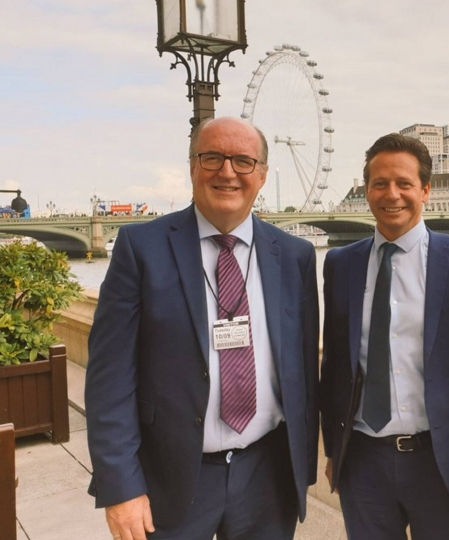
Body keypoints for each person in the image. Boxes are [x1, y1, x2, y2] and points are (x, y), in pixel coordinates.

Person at [85, 117, 320, 540]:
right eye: (212, 157)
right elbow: (109, 379)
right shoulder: (141, 249)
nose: (227, 172)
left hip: (268, 476)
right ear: (192, 166)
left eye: (243, 161)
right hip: (170, 477)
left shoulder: (295, 255)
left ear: (262, 174)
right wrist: (120, 487)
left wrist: (302, 468)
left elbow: (303, 369)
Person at [320, 133, 449, 539]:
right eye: (380, 183)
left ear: (426, 190)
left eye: (404, 183)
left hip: (442, 460)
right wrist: (335, 449)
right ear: (367, 190)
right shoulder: (340, 264)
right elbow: (335, 364)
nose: (392, 194)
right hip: (363, 461)